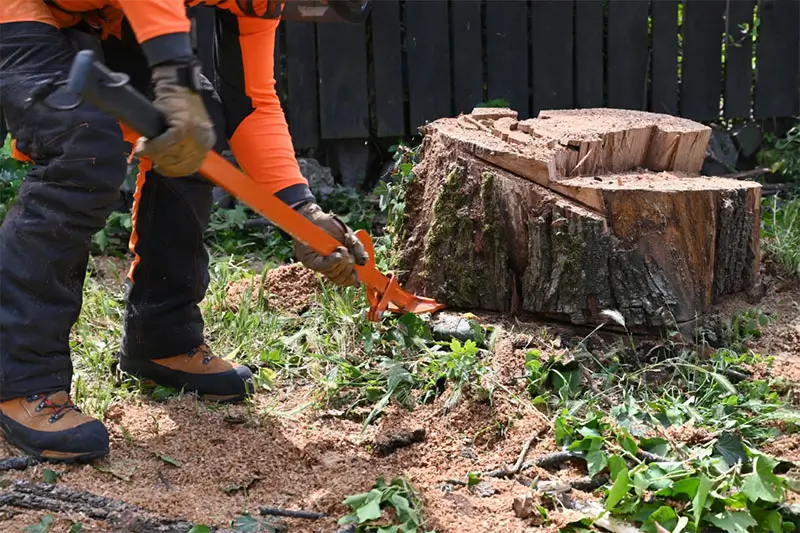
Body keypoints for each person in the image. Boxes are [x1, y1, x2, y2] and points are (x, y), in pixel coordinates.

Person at [0, 0, 368, 463]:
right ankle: (21, 380)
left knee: (203, 125)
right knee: (81, 145)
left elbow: (254, 105)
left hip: (100, 14)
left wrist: (301, 210)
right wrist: (174, 81)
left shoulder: (258, 6)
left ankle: (162, 339)